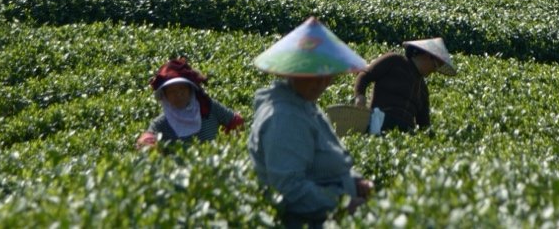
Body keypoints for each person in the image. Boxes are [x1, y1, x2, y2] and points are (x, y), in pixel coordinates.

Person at [249, 17, 375, 228]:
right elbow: (289, 189)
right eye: (313, 75)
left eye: (327, 75)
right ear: (292, 72)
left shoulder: (305, 105)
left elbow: (326, 161)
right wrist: (342, 204)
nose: (322, 83)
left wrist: (355, 181)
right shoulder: (284, 118)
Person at [352, 37, 457, 133]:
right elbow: (365, 75)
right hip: (380, 121)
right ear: (427, 56)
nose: (434, 70)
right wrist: (360, 96)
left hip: (406, 131)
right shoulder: (394, 61)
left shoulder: (423, 89)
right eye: (435, 65)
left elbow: (424, 124)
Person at [135, 57, 244, 149]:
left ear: (190, 90)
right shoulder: (162, 123)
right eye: (171, 91)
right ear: (165, 96)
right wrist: (147, 143)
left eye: (182, 89)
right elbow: (147, 141)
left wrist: (230, 147)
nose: (178, 95)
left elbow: (235, 121)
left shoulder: (208, 108)